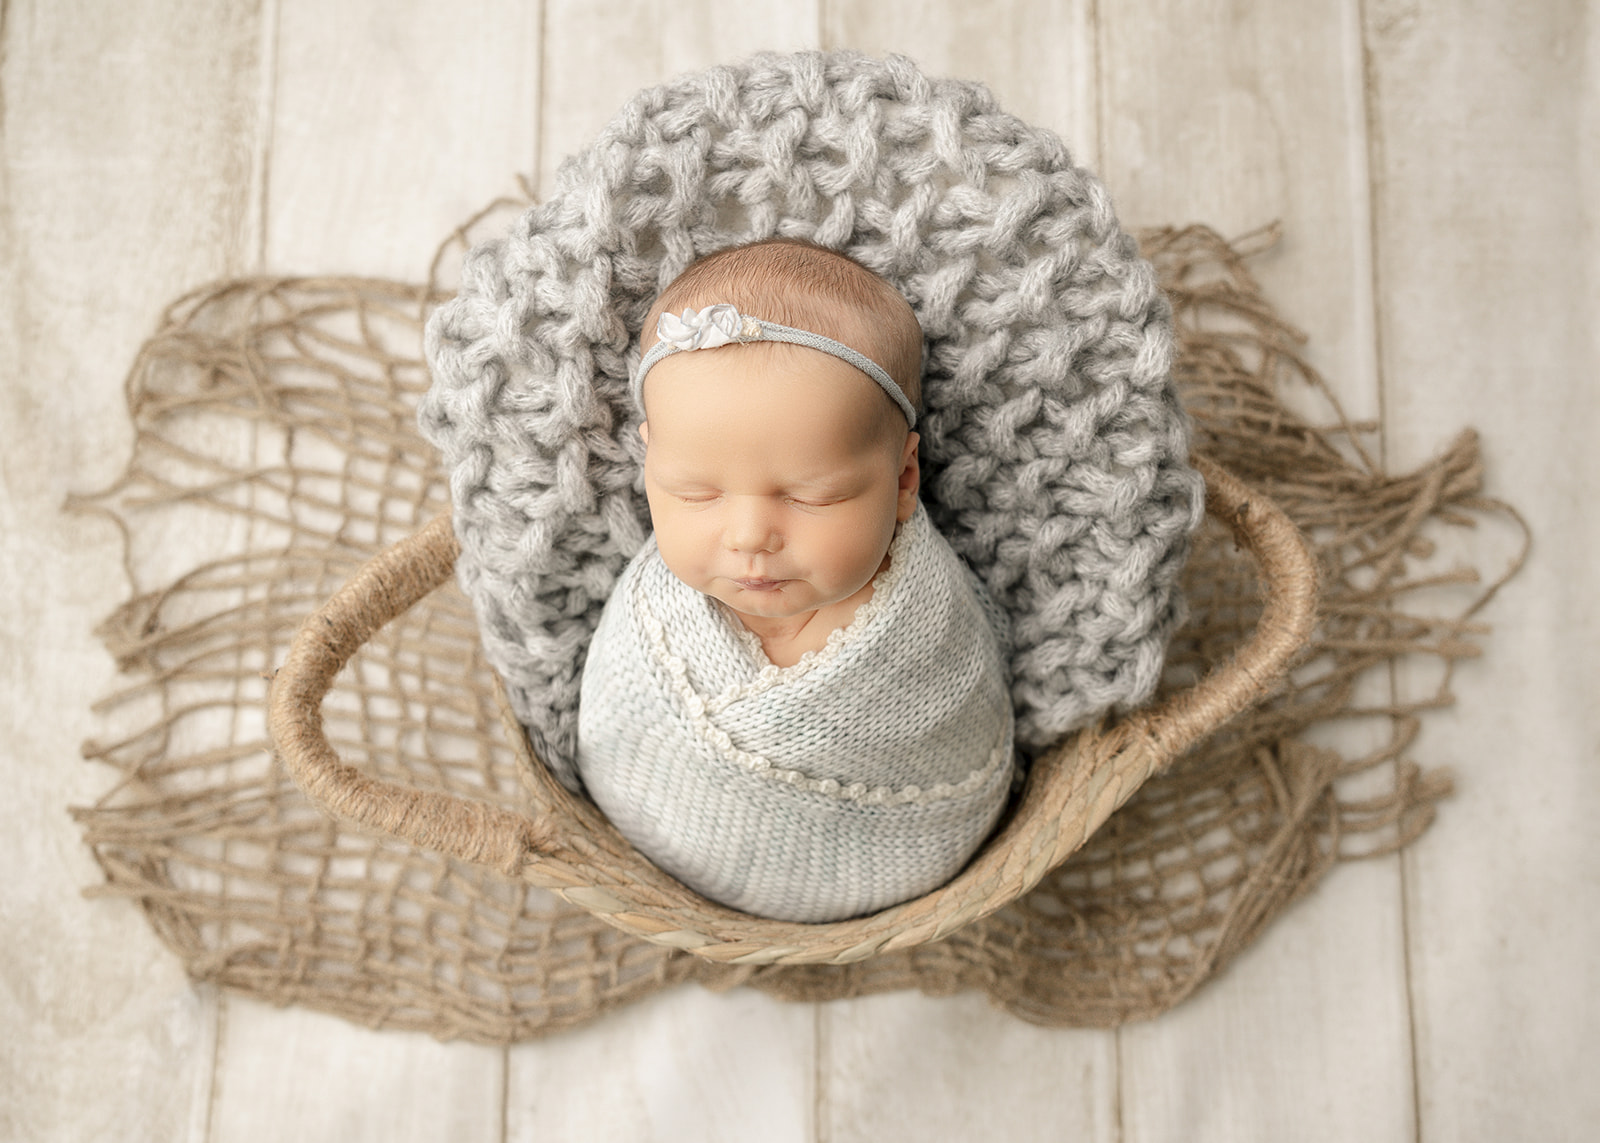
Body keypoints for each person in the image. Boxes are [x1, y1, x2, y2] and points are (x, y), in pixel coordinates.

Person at [576, 238, 1015, 923]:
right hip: (643, 845)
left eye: (812, 497)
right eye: (694, 492)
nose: (750, 534)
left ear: (903, 481)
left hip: (900, 860)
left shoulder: (922, 624)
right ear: (647, 464)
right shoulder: (655, 616)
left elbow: (960, 720)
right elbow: (616, 714)